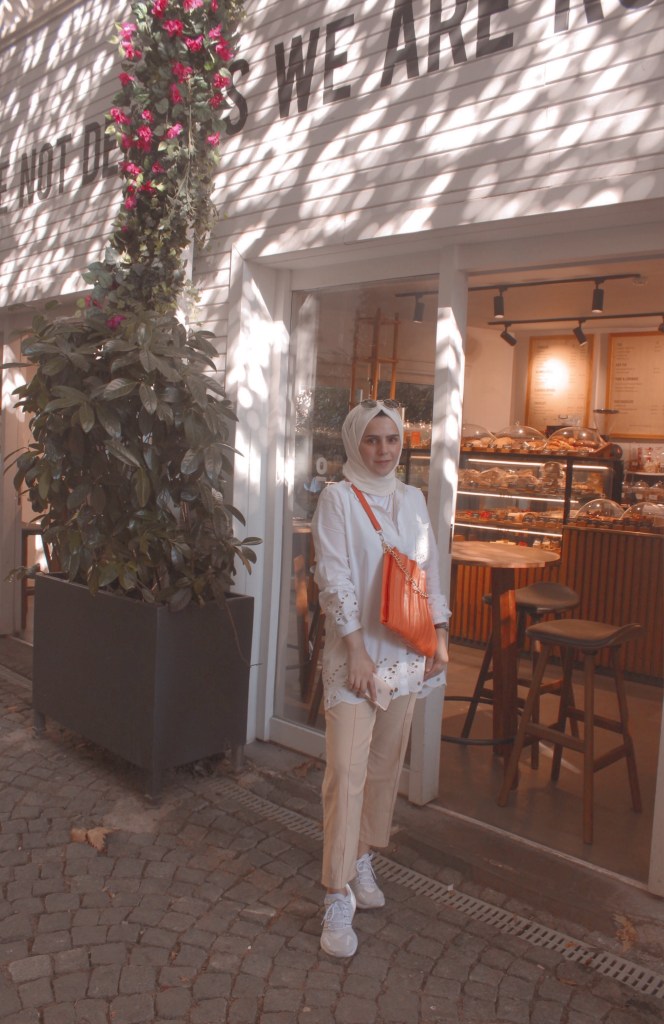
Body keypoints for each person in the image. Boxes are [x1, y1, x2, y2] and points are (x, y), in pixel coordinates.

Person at [311, 399, 450, 958]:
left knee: (384, 767)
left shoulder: (413, 498)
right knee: (345, 772)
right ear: (354, 442)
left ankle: (362, 854)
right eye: (372, 439)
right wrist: (356, 652)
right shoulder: (338, 499)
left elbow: (429, 568)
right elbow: (334, 579)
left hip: (406, 654)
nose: (383, 450)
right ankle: (336, 891)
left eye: (392, 439)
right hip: (357, 658)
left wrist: (440, 632)